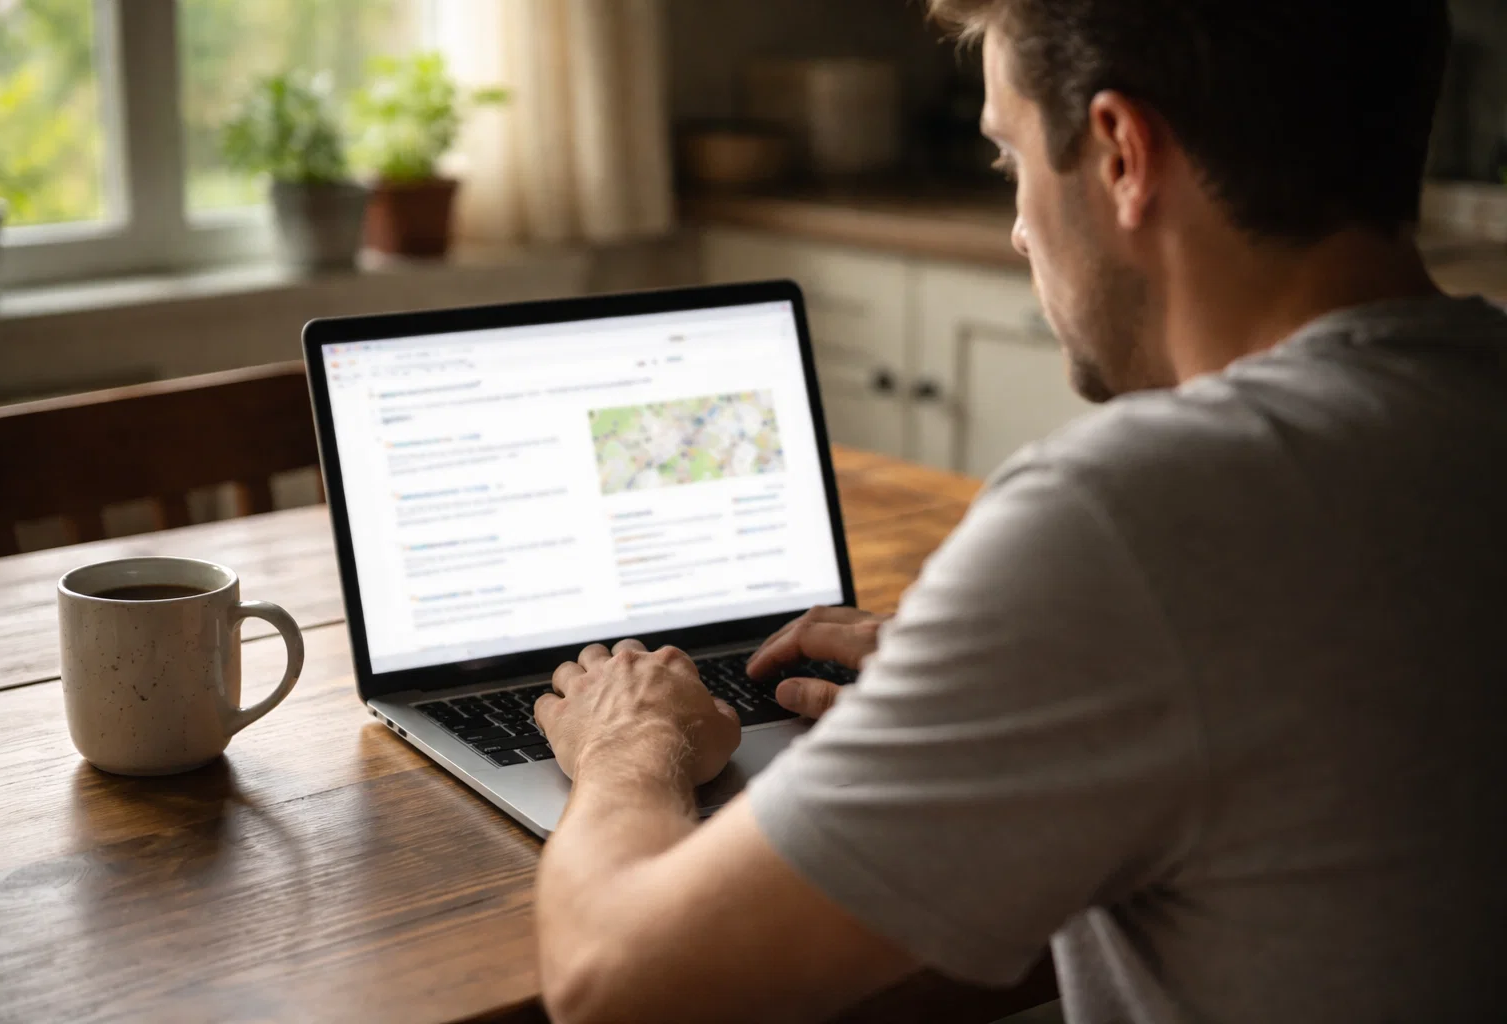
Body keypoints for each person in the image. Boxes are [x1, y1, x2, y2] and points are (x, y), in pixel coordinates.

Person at [530, 1, 1507, 1021]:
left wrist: (626, 748)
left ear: (1123, 154)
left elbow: (616, 983)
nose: (1017, 228)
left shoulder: (1131, 521)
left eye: (1010, 160)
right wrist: (997, 673)